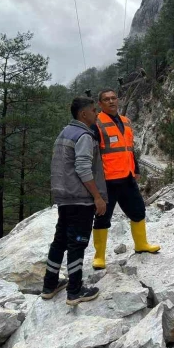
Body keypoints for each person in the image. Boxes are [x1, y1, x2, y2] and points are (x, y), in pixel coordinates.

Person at [41, 96, 108, 305]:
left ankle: (49, 285)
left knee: (60, 240)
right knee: (77, 243)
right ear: (83, 114)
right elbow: (83, 167)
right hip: (80, 198)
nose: (97, 114)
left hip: (64, 196)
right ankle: (75, 290)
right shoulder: (84, 136)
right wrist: (97, 196)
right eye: (94, 110)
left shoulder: (65, 132)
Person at [91, 89, 159, 270]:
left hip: (127, 176)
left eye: (113, 98)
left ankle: (141, 244)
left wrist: (135, 168)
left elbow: (129, 148)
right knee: (102, 217)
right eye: (106, 99)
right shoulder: (96, 123)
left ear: (118, 100)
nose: (111, 101)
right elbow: (92, 153)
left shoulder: (126, 122)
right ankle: (99, 256)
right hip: (107, 180)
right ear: (100, 104)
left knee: (138, 211)